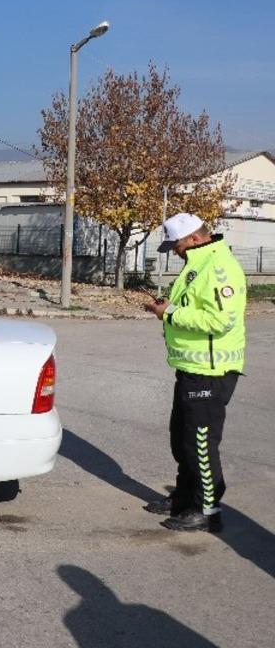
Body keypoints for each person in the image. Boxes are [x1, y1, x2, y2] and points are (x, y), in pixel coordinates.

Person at [141, 213, 247, 533]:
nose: (175, 251)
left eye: (177, 245)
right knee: (182, 439)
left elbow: (219, 321)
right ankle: (184, 499)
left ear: (195, 239)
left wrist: (169, 313)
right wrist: (166, 306)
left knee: (200, 443)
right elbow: (193, 306)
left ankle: (208, 510)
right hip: (191, 368)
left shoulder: (218, 267)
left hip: (211, 371)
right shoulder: (198, 263)